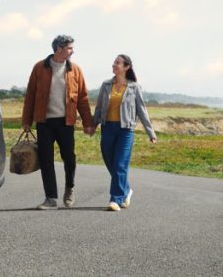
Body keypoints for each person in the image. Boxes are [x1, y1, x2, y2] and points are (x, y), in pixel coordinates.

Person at [22, 35, 94, 210]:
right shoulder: (40, 68)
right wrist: (27, 120)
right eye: (70, 48)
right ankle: (51, 198)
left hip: (66, 122)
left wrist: (87, 122)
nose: (72, 51)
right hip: (44, 122)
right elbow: (30, 95)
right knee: (46, 160)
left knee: (69, 158)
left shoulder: (75, 70)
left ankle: (69, 188)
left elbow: (83, 98)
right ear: (59, 48)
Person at [92, 54, 156, 212]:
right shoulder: (106, 84)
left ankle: (116, 199)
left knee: (120, 164)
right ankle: (126, 190)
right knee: (110, 162)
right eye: (114, 62)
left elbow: (142, 110)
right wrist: (93, 126)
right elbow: (99, 107)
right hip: (107, 128)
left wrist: (151, 132)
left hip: (125, 130)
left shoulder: (134, 87)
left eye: (117, 63)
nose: (114, 65)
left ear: (126, 67)